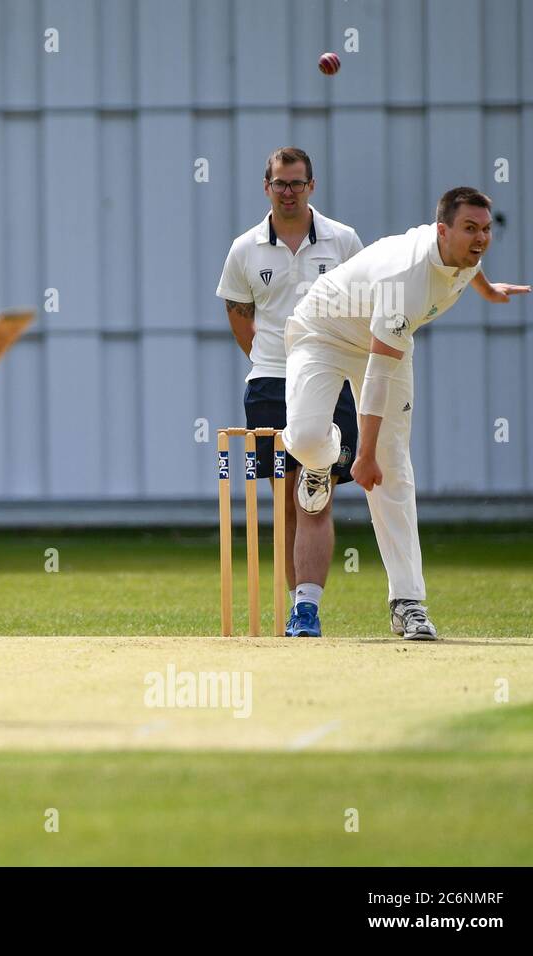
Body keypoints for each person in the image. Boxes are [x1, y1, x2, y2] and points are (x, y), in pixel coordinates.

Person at [281, 187, 530, 639]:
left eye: (486, 229)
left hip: (384, 342)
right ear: (442, 230)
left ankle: (407, 603)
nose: (480, 239)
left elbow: (467, 267)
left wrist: (488, 288)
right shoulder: (406, 279)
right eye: (470, 229)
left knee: (392, 469)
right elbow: (376, 373)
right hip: (323, 331)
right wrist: (363, 453)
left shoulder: (464, 254)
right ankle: (320, 463)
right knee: (303, 439)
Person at [217, 146, 364, 637]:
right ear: (267, 187)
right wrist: (272, 362)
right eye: (279, 183)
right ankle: (297, 607)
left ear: (311, 187)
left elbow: (365, 308)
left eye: (296, 183)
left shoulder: (342, 240)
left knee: (314, 495)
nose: (288, 191)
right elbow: (240, 317)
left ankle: (308, 606)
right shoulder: (245, 248)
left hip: (328, 378)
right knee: (284, 499)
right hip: (269, 381)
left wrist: (328, 362)